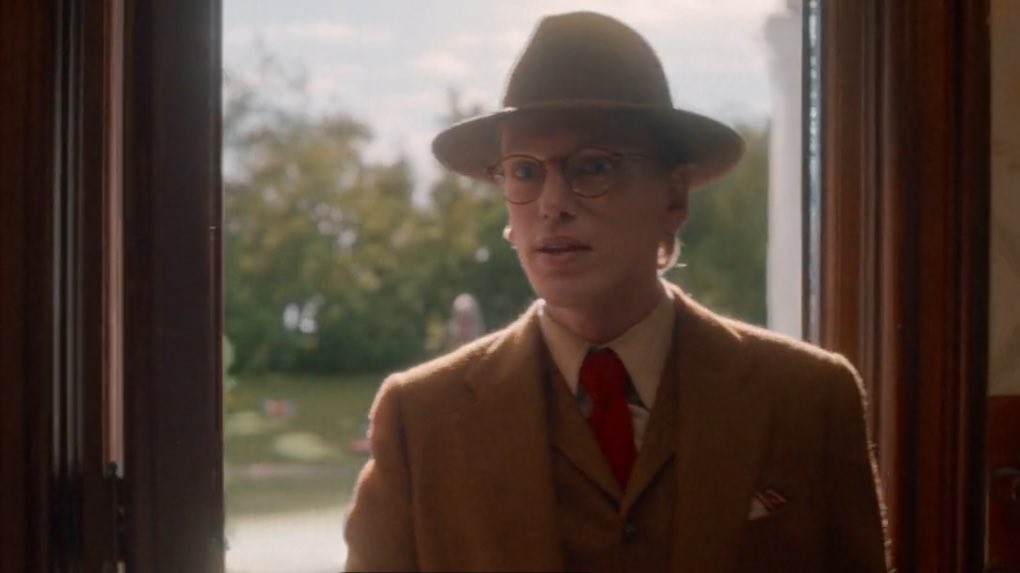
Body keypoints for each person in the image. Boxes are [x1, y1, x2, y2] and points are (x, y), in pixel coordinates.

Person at [344, 11, 890, 573]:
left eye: (593, 166)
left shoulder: (808, 398)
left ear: (674, 197)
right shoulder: (423, 419)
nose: (553, 203)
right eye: (525, 172)